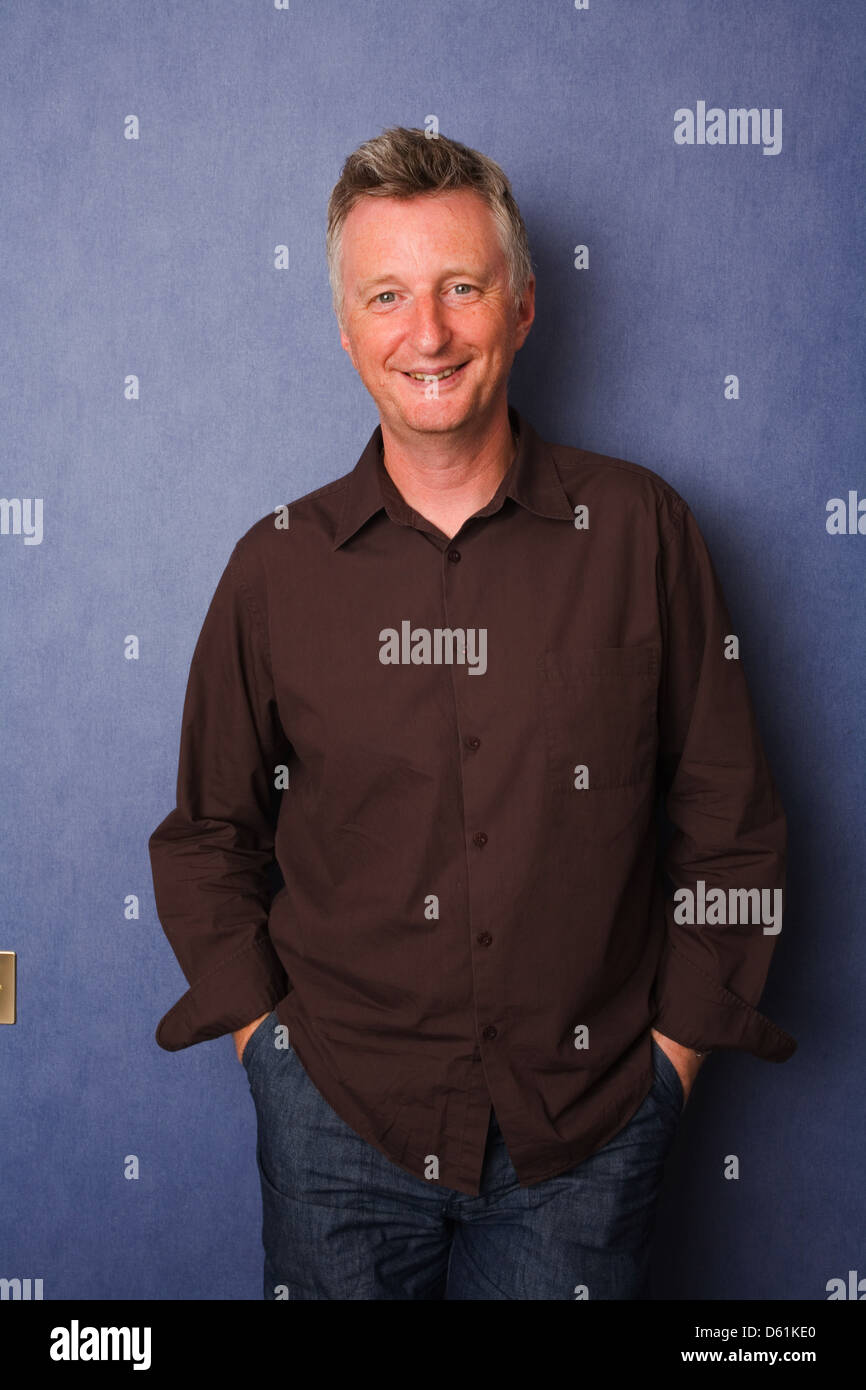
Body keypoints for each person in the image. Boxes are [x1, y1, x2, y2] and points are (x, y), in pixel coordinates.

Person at [149, 126, 796, 1301]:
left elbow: (730, 823)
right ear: (346, 330)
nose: (428, 332)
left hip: (588, 1137)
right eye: (387, 295)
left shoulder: (642, 532)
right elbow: (205, 838)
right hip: (337, 1132)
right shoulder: (275, 568)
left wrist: (673, 1061)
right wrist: (269, 1053)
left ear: (523, 305)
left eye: (461, 287)